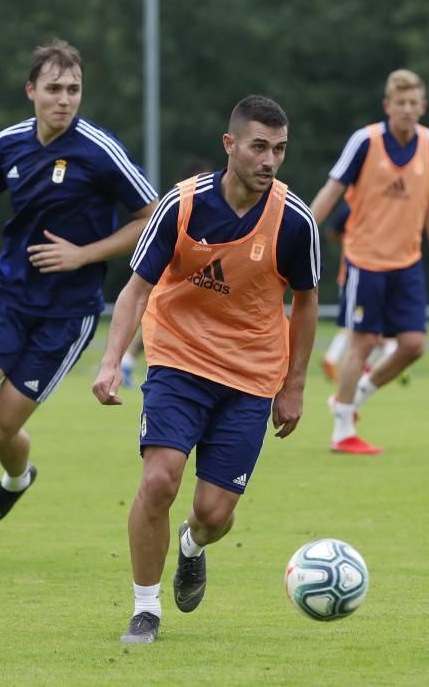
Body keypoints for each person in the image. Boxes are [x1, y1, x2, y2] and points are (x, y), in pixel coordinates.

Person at [0, 39, 158, 571]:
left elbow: (152, 217)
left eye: (74, 90)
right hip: (7, 299)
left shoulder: (99, 150)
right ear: (31, 92)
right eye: (54, 89)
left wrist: (83, 254)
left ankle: (17, 477)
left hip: (65, 316)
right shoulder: (9, 143)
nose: (65, 100)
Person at [92, 95, 319, 643]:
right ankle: (146, 608)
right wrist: (110, 360)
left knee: (214, 514)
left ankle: (192, 546)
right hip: (179, 361)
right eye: (259, 147)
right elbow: (137, 289)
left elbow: (306, 303)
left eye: (280, 150)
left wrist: (294, 387)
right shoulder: (182, 206)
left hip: (250, 377)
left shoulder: (294, 220)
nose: (270, 160)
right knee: (159, 478)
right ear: (230, 145)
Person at [309, 69, 429, 455]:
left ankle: (352, 398)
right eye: (399, 103)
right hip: (364, 259)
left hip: (408, 262)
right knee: (364, 342)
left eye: (413, 103)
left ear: (423, 106)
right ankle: (342, 432)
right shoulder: (365, 141)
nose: (406, 109)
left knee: (414, 345)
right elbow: (332, 190)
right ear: (387, 106)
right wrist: (302, 229)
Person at [120, 156, 215, 389]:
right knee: (155, 322)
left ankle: (129, 361)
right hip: (168, 283)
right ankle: (130, 362)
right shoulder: (177, 208)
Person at [319, 200, 408, 385]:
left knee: (365, 328)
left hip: (359, 274)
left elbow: (332, 234)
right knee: (363, 328)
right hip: (365, 274)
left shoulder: (348, 208)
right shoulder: (372, 207)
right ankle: (389, 363)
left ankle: (350, 363)